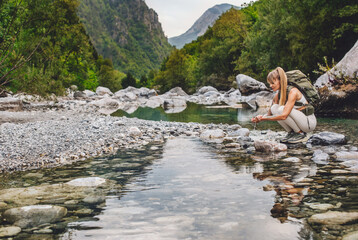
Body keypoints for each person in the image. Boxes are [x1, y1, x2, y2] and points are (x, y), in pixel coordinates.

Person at [251, 67, 317, 143]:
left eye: (272, 83)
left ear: (280, 81)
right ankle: (291, 133)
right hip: (300, 122)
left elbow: (284, 116)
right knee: (274, 108)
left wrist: (264, 119)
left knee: (281, 109)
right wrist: (260, 117)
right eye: (269, 83)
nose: (270, 86)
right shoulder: (278, 94)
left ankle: (300, 134)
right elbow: (270, 113)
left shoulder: (293, 92)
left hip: (308, 123)